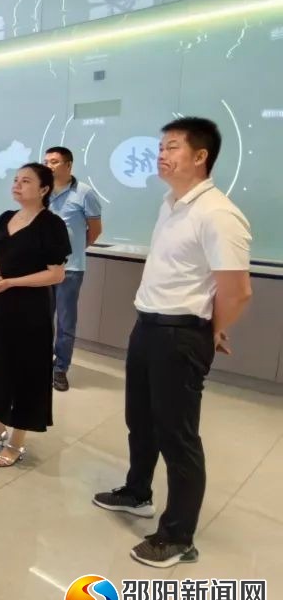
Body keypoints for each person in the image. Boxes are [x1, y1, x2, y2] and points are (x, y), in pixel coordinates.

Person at [93, 118, 252, 568]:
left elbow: (238, 291)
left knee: (177, 437)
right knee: (140, 420)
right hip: (148, 326)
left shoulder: (218, 213)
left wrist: (211, 328)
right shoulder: (171, 204)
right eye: (161, 147)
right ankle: (137, 492)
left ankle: (178, 537)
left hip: (181, 334)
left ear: (200, 156)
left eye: (173, 147)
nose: (161, 154)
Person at [0, 163, 71, 467]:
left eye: (26, 181)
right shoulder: (7, 217)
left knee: (26, 371)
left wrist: (13, 282)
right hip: (2, 305)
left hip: (32, 309)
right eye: (16, 180)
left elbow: (56, 274)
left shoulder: (51, 224)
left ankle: (16, 442)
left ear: (44, 189)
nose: (17, 184)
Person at [44, 147, 104, 392]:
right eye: (46, 161)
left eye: (54, 162)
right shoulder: (42, 190)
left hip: (71, 268)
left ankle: (60, 368)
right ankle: (41, 364)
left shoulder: (84, 193)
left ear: (68, 165)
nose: (48, 166)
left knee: (66, 322)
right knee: (41, 319)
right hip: (42, 268)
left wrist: (75, 249)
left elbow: (95, 230)